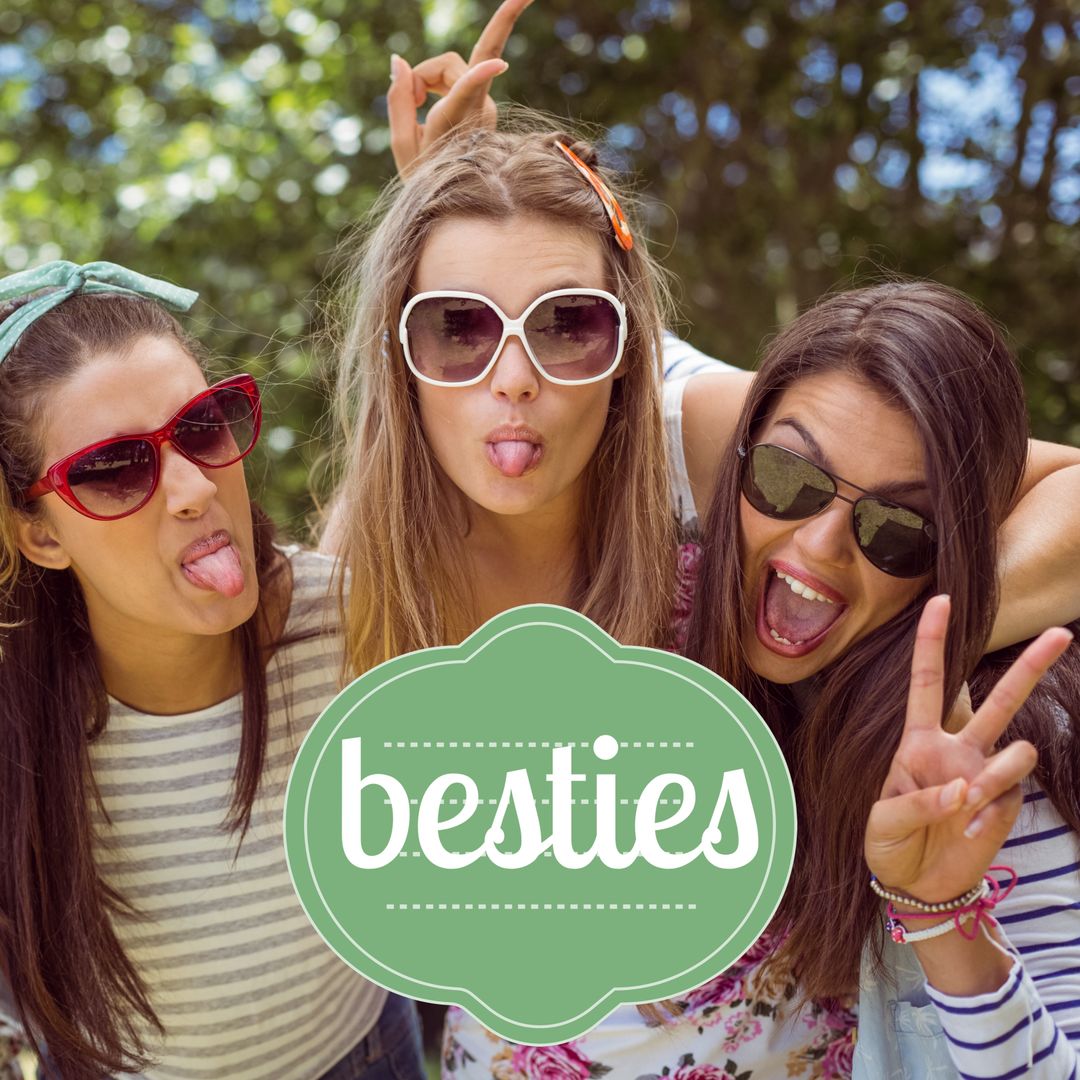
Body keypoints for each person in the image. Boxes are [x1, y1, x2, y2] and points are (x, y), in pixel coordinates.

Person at [438, 282, 1079, 1078]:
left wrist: (941, 913)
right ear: (734, 454)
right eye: (788, 476)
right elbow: (547, 335)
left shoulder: (974, 762)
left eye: (899, 528)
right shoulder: (647, 579)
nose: (819, 545)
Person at [0, 262, 424, 1080]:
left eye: (201, 426)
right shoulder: (18, 723)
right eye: (113, 468)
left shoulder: (352, 621)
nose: (194, 488)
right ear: (42, 535)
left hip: (369, 1051)